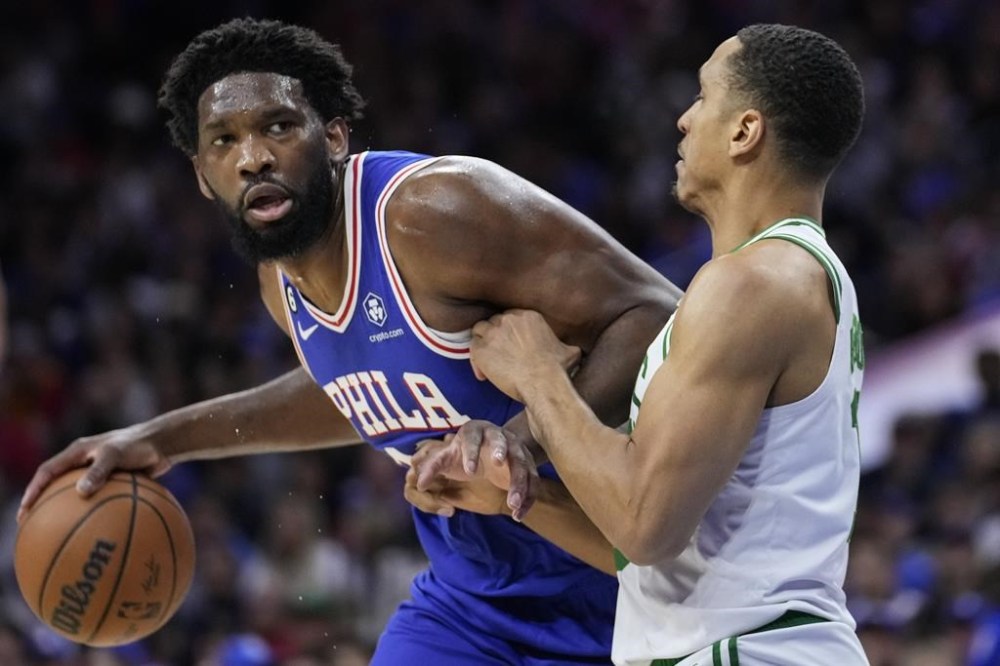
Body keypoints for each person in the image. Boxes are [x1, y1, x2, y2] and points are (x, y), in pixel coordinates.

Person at [17, 17, 682, 665]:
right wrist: (163, 439)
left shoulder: (433, 213)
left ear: (333, 136)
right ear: (201, 173)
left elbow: (656, 314)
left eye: (278, 126)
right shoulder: (279, 282)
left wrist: (522, 440)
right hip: (471, 605)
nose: (253, 158)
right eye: (224, 141)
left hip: (627, 582)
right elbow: (356, 387)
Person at [431, 23, 870, 665]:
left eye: (703, 96)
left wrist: (538, 376)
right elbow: (656, 557)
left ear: (745, 131)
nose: (684, 119)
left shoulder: (753, 284)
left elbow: (644, 526)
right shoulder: (795, 276)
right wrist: (516, 496)